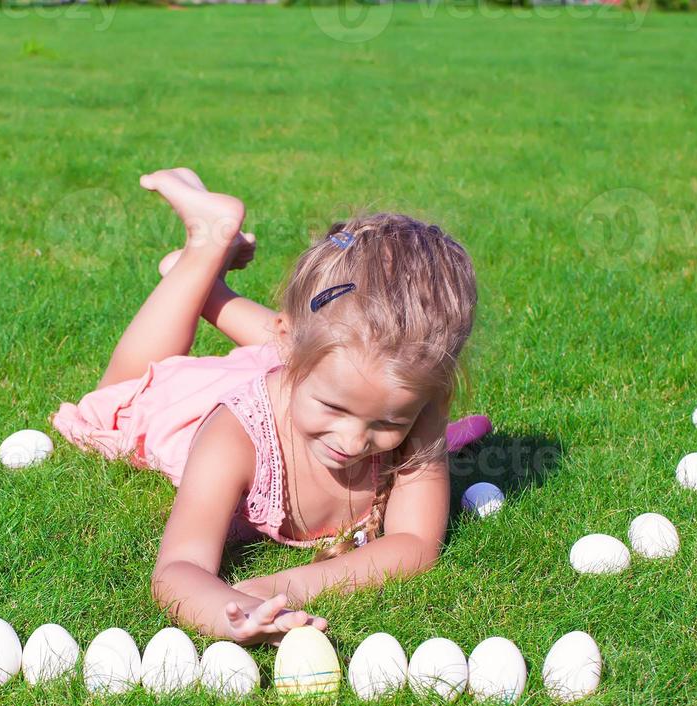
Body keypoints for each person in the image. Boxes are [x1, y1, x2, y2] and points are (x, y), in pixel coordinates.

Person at [52, 168, 489, 645]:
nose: (353, 441)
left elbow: (415, 543)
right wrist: (231, 613)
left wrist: (284, 585)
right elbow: (178, 567)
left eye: (388, 422)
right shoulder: (232, 437)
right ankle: (203, 250)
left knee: (328, 342)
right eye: (335, 409)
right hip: (193, 408)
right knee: (121, 391)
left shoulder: (388, 391)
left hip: (305, 365)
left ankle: (210, 290)